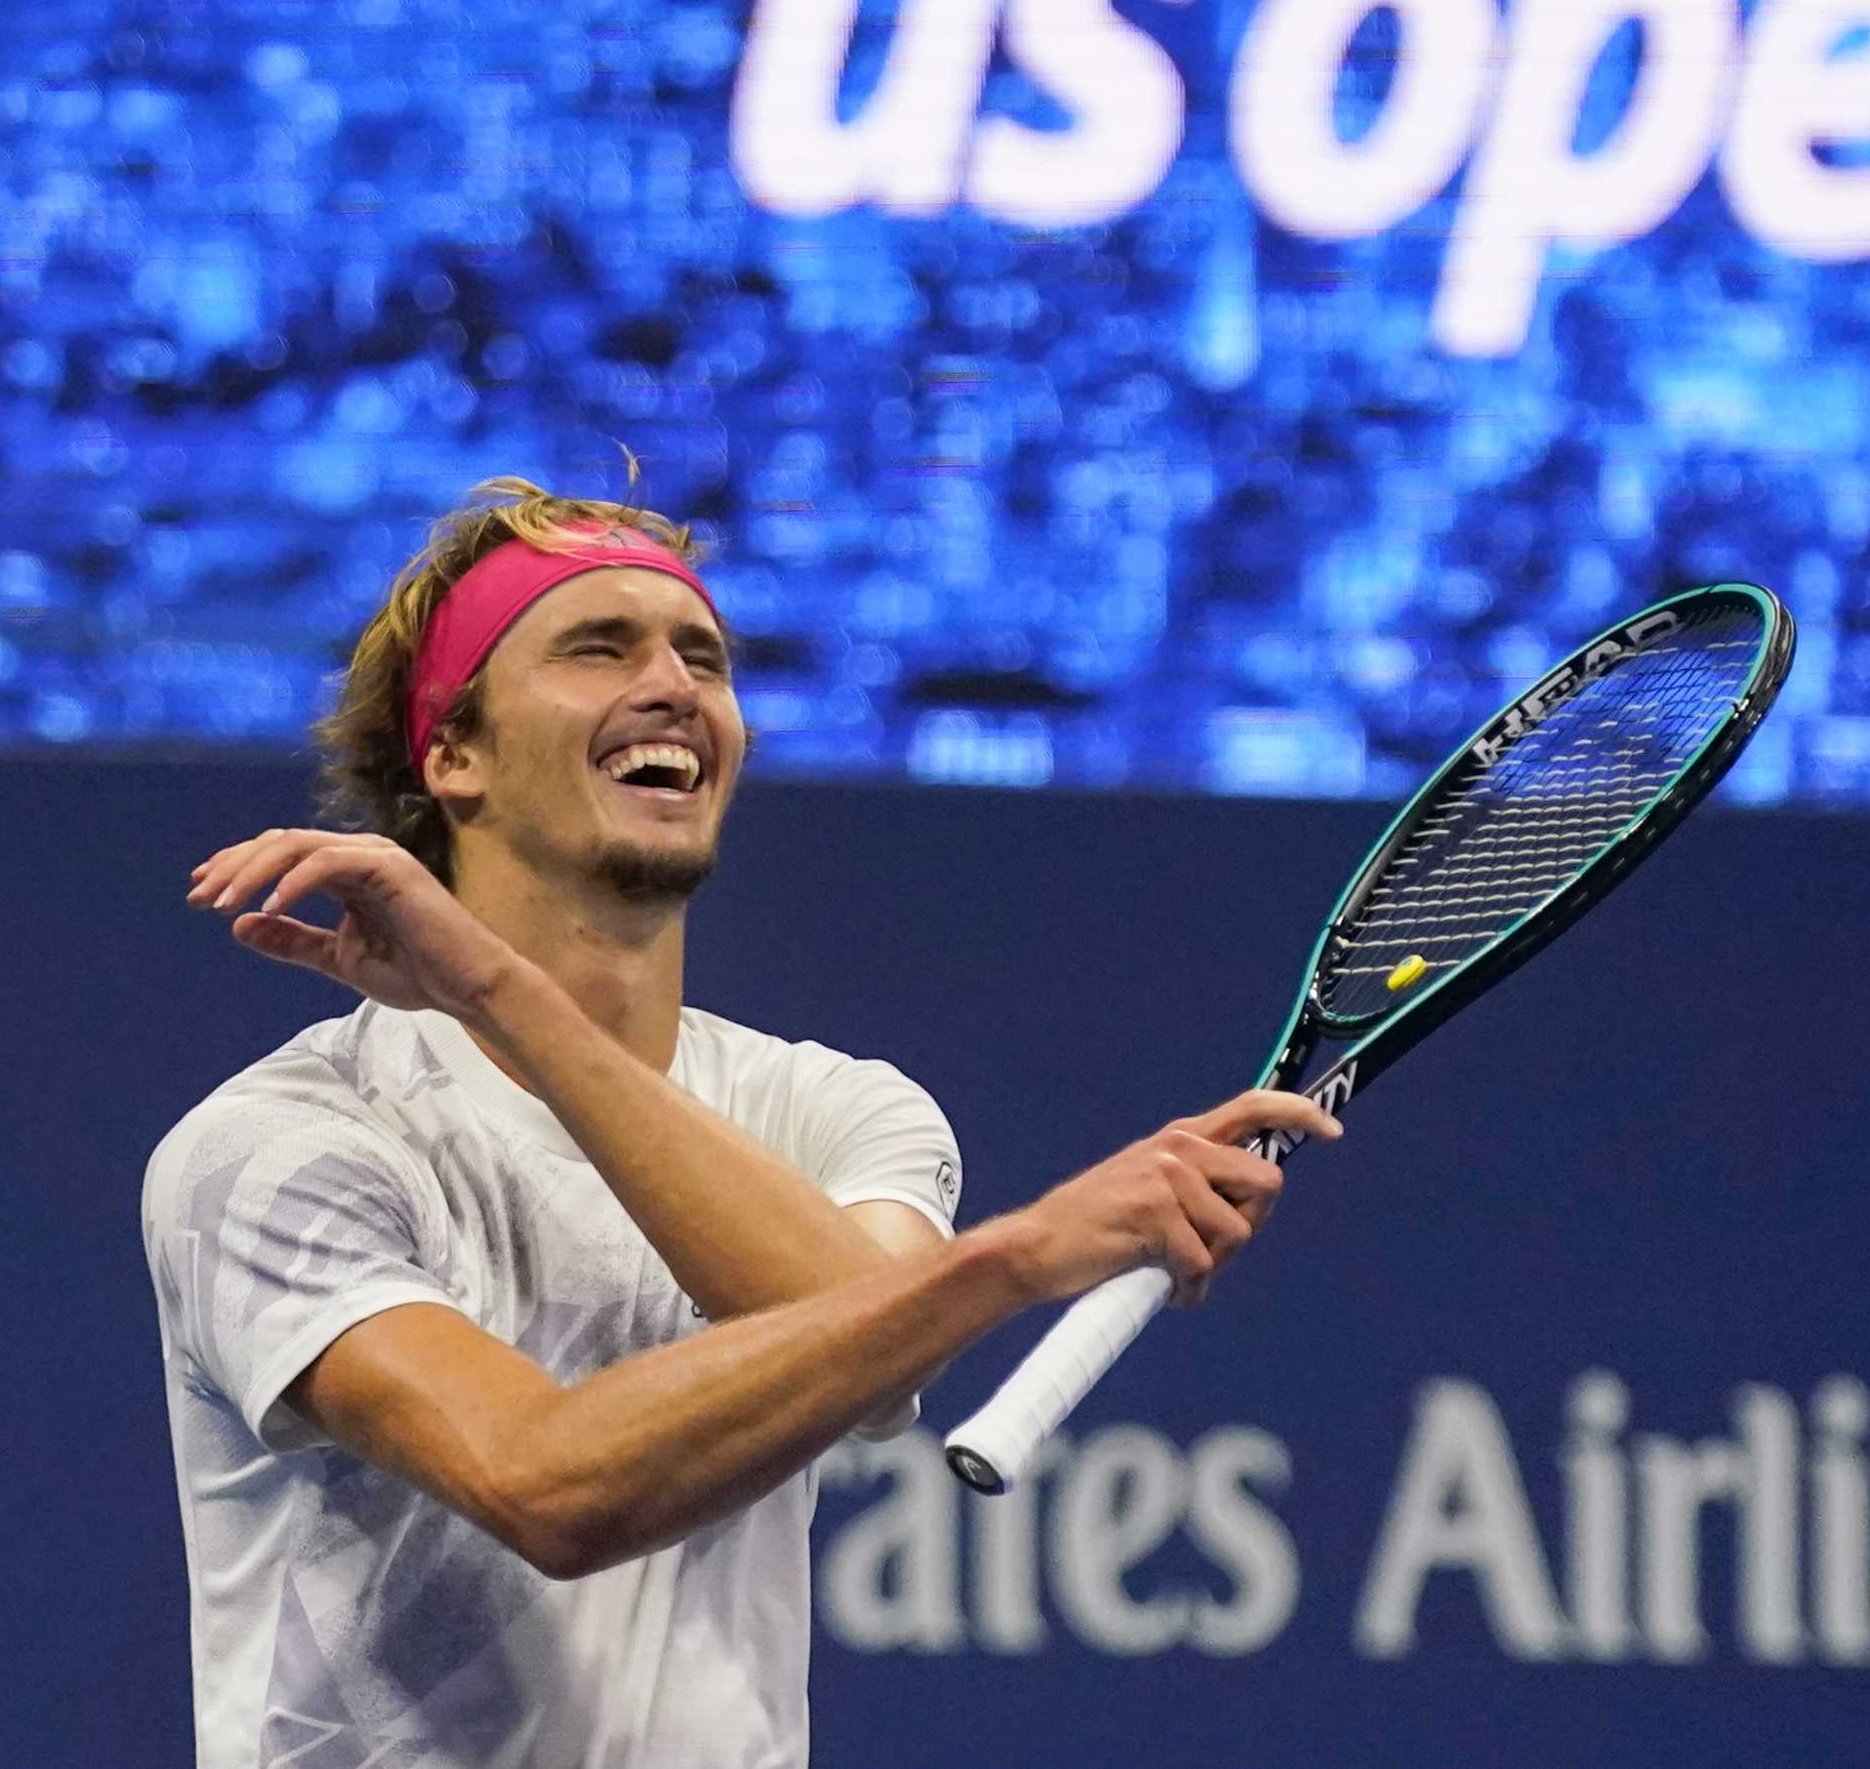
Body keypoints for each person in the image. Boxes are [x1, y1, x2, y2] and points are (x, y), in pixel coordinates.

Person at [140, 478, 1335, 1768]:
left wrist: (506, 1001)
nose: (675, 686)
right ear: (454, 755)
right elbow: (546, 1488)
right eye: (598, 647)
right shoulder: (278, 1147)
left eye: (702, 658)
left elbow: (868, 1355)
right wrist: (1020, 1252)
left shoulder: (838, 1111)